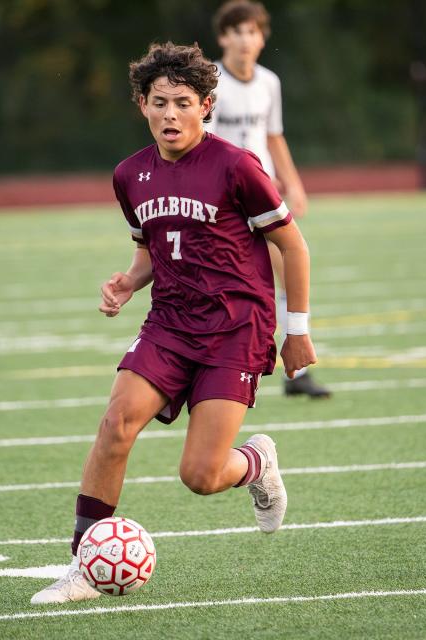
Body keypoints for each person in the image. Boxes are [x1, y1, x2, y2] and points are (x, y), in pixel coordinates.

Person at [31, 41, 317, 605]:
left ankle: (255, 462)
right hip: (170, 322)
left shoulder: (238, 167)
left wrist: (297, 329)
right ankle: (83, 565)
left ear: (207, 105)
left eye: (182, 102)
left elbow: (294, 245)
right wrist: (126, 282)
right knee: (115, 425)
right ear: (141, 104)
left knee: (202, 475)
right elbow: (151, 250)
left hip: (236, 327)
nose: (170, 114)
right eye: (158, 102)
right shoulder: (129, 175)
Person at [206, 0, 330, 399]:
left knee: (286, 272)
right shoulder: (210, 81)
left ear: (263, 38)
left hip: (259, 195)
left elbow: (273, 136)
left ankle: (296, 372)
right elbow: (201, 140)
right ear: (223, 37)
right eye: (237, 31)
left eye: (252, 31)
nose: (245, 39)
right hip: (219, 199)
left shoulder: (268, 82)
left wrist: (293, 183)